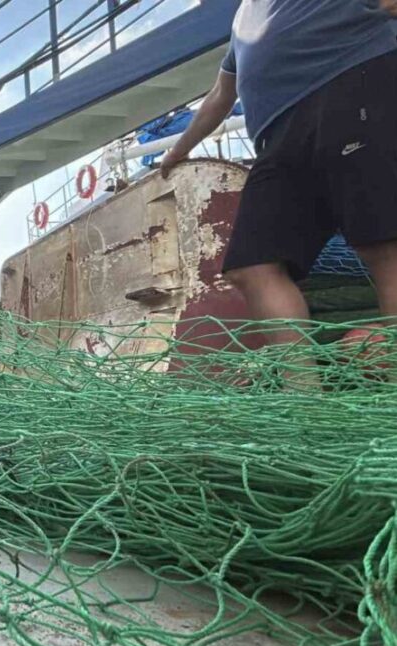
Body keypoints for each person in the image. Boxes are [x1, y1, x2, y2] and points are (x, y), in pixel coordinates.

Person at [160, 1, 397, 384]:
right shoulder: (243, 18)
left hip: (356, 86)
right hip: (277, 137)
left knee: (384, 245)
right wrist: (178, 150)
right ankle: (305, 407)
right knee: (251, 266)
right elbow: (221, 96)